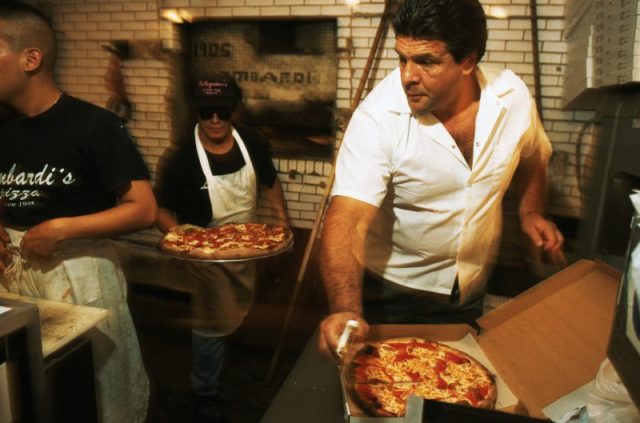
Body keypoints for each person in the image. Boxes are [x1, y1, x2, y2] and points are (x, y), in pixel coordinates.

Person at [318, 0, 565, 359]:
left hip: (470, 285)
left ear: (468, 60)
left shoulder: (512, 97)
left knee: (453, 393)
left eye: (426, 61)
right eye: (402, 58)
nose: (407, 76)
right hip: (391, 293)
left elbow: (534, 154)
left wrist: (530, 213)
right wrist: (346, 309)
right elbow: (348, 218)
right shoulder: (377, 117)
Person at [0, 2, 156, 422]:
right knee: (32, 390)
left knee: (98, 387)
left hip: (80, 271)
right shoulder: (4, 130)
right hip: (15, 275)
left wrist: (62, 228)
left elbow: (143, 209)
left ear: (30, 58)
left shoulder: (94, 125)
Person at [155, 71, 290, 422]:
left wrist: (282, 219)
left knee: (237, 311)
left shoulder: (252, 140)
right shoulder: (182, 157)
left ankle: (218, 366)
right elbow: (159, 208)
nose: (215, 120)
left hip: (248, 245)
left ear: (235, 110)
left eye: (223, 111)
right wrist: (185, 240)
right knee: (211, 324)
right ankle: (205, 392)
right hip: (206, 253)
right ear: (195, 112)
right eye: (206, 112)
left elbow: (270, 181)